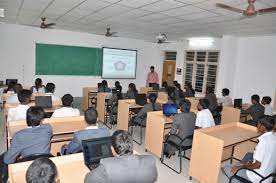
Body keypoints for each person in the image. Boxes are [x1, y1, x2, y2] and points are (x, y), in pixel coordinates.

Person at [84, 130, 158, 183]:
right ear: (131, 145)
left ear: (112, 149)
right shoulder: (150, 160)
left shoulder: (107, 165)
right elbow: (154, 178)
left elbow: (88, 180)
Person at [222, 116, 276, 183]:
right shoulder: (274, 136)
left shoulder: (263, 142)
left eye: (258, 124)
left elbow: (257, 165)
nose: (257, 126)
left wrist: (241, 167)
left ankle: (238, 178)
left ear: (263, 127)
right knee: (244, 159)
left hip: (258, 177)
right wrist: (246, 164)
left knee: (226, 168)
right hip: (269, 176)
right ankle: (238, 169)